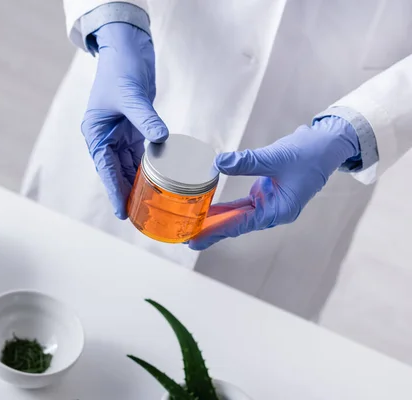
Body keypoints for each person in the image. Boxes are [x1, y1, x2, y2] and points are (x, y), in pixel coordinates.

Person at [22, 0, 412, 319]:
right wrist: (114, 25)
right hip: (150, 66)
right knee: (43, 305)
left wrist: (356, 128)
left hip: (334, 113)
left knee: (231, 354)